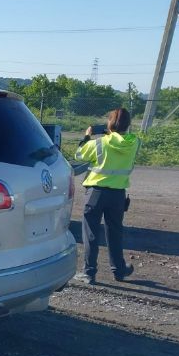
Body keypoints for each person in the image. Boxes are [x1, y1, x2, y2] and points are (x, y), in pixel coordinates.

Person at [73, 107, 140, 285]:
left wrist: (87, 136)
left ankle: (89, 273)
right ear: (128, 125)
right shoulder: (135, 143)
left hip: (96, 193)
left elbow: (79, 155)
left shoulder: (100, 143)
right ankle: (119, 270)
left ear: (109, 124)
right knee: (115, 232)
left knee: (91, 233)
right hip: (118, 194)